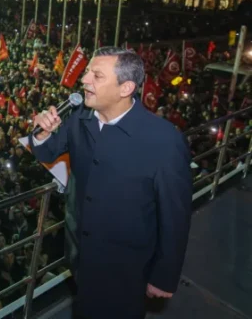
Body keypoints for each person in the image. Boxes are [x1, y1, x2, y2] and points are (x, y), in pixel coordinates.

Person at [31, 47, 193, 319]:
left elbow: (175, 216)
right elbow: (48, 152)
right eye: (86, 73)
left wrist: (164, 275)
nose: (84, 81)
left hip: (127, 267)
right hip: (81, 255)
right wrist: (42, 133)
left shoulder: (164, 141)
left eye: (97, 75)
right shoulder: (79, 118)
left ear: (125, 88)